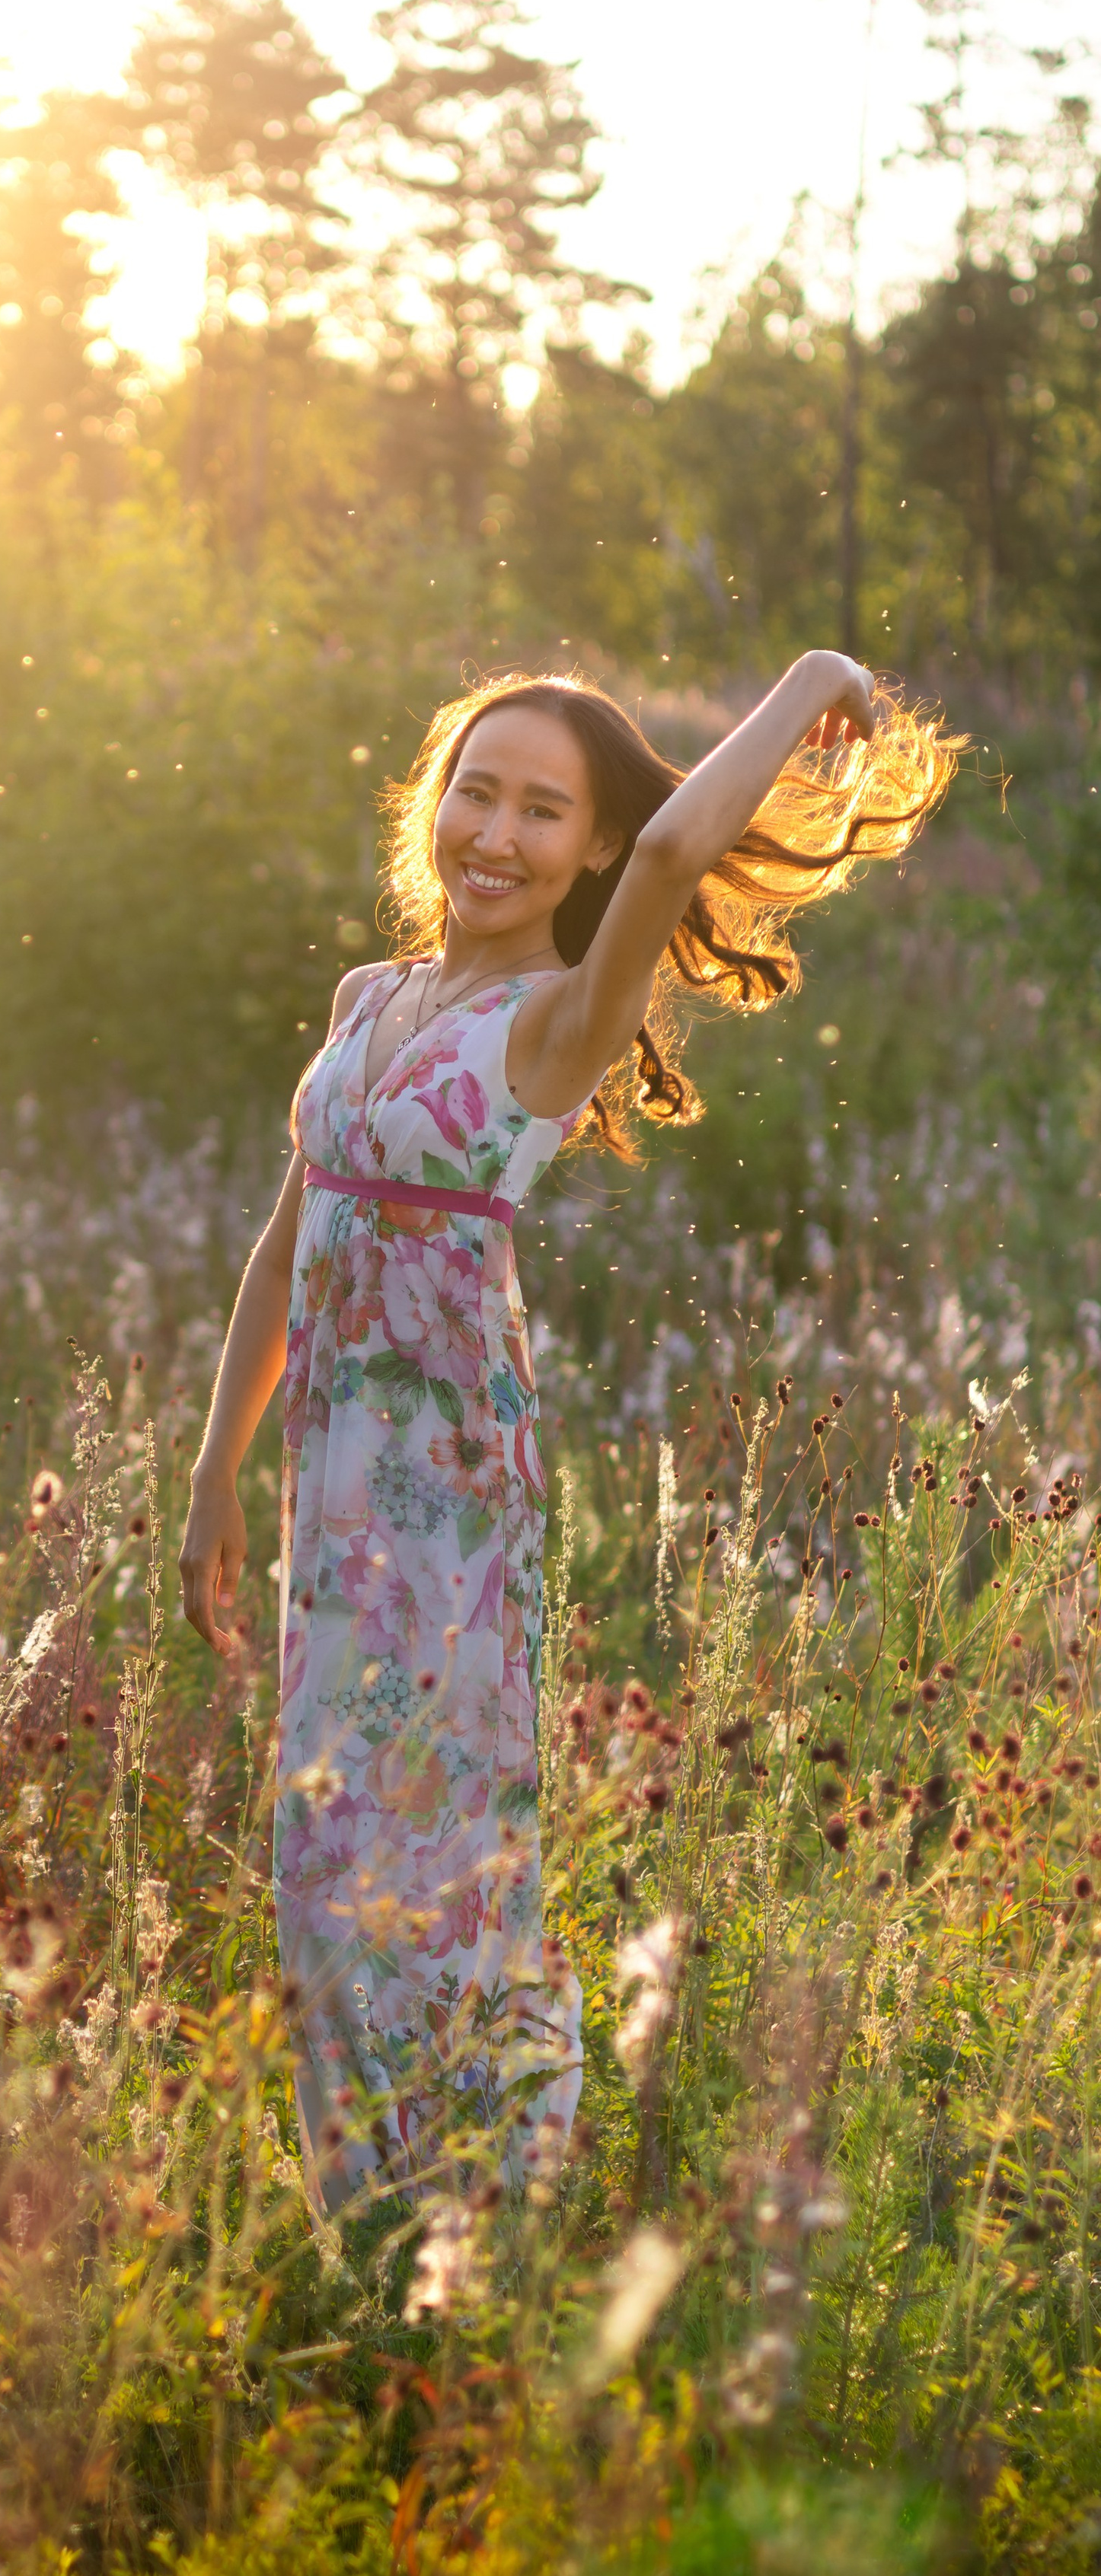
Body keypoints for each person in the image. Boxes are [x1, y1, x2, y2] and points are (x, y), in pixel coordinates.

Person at [178, 652, 959, 2211]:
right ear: (429, 805)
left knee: (441, 1843)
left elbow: (680, 852)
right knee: (322, 1856)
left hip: (447, 1501)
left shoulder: (554, 1021)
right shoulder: (365, 1001)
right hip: (327, 1493)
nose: (496, 829)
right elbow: (284, 1248)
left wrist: (806, 677)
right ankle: (374, 2214)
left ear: (591, 849)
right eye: (475, 789)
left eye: (545, 808)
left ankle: (490, 2183)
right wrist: (212, 1479)